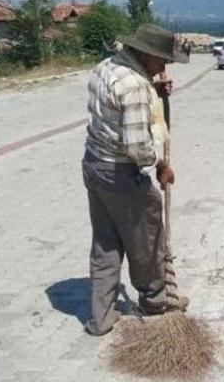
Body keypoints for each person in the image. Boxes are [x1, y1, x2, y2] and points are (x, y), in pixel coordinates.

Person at [81, 23, 189, 336]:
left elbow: (117, 110)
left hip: (94, 166)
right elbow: (136, 145)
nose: (164, 66)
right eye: (161, 60)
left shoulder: (106, 66)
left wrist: (154, 92)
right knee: (148, 233)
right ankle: (155, 301)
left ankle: (100, 318)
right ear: (144, 53)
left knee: (106, 242)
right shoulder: (135, 86)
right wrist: (159, 166)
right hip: (120, 172)